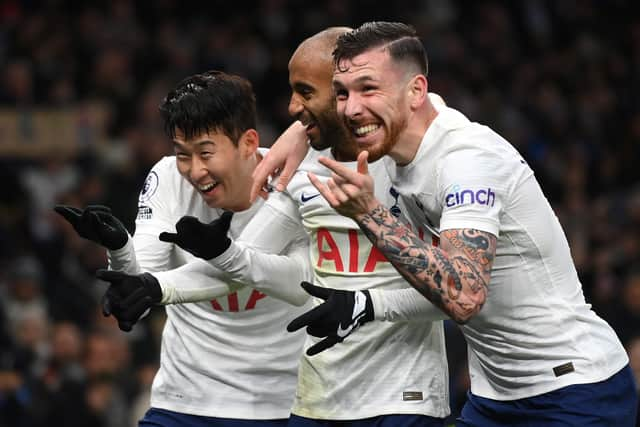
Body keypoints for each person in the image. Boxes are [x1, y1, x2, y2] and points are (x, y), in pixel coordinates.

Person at [295, 22, 638, 426]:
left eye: (368, 89)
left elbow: (463, 294)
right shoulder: (399, 140)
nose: (352, 108)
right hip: (493, 397)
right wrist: (365, 304)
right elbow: (448, 286)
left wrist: (370, 213)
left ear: (416, 91)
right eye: (342, 94)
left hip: (574, 392)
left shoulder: (467, 161)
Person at [167, 28, 451, 426]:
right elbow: (249, 261)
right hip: (317, 403)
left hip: (402, 399)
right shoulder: (299, 176)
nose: (291, 106)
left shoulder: (413, 165)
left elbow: (456, 292)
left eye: (304, 92)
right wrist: (164, 282)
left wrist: (365, 306)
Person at [55, 70, 312, 426]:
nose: (194, 171)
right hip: (183, 402)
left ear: (249, 143)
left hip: (280, 406)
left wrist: (218, 255)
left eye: (206, 153)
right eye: (183, 154)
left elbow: (299, 288)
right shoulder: (167, 178)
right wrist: (119, 248)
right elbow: (142, 288)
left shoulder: (295, 183)